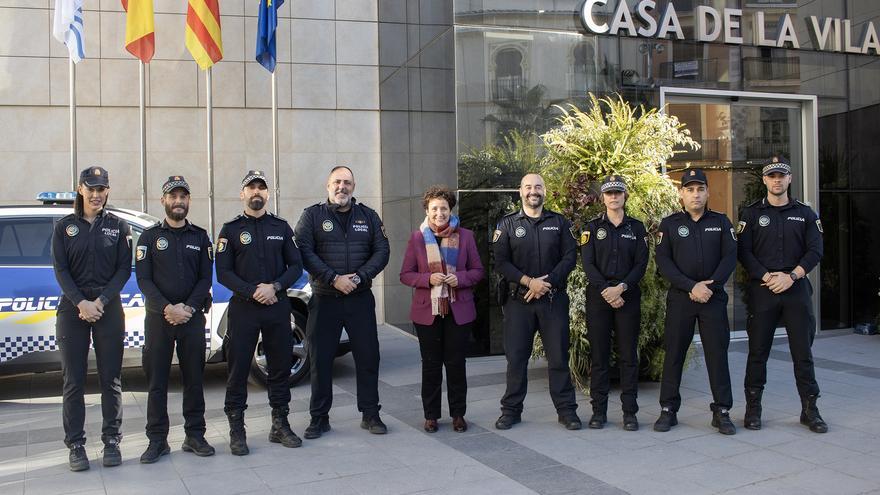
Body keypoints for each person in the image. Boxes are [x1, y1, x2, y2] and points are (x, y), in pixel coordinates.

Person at [295, 166, 390, 438]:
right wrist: (333, 278)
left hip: (359, 299)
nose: (342, 187)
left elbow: (382, 251)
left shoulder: (368, 217)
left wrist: (359, 277)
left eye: (347, 182)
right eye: (337, 182)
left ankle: (370, 414)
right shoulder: (312, 216)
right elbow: (303, 250)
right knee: (320, 360)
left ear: (353, 186)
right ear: (327, 186)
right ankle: (319, 419)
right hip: (325, 300)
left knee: (368, 357)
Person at [216, 170, 303, 455]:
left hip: (277, 307)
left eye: (261, 188)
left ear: (267, 194)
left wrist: (275, 286)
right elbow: (223, 272)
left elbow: (295, 266)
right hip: (244, 309)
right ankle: (237, 430)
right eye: (251, 188)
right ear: (242, 194)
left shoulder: (281, 227)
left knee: (279, 367)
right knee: (238, 369)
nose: (256, 192)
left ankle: (280, 424)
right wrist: (253, 290)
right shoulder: (229, 230)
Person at [737, 158, 827, 433]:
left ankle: (810, 410)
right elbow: (743, 251)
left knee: (803, 353)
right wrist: (767, 277)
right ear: (765, 180)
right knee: (757, 353)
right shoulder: (750, 214)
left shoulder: (806, 213)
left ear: (790, 179)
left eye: (782, 176)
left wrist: (792, 276)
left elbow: (816, 250)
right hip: (763, 289)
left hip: (795, 287)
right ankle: (753, 409)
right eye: (772, 176)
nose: (777, 180)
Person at [51, 166, 131, 471]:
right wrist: (81, 302)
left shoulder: (119, 227)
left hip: (107, 307)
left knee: (111, 379)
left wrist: (99, 301)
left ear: (107, 191)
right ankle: (76, 445)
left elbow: (124, 270)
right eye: (91, 188)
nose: (97, 195)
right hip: (73, 309)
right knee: (74, 381)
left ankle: (112, 440)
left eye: (102, 189)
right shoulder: (63, 227)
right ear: (80, 189)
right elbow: (61, 270)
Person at [491, 173, 581, 431]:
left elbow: (569, 257)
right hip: (519, 302)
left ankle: (567, 412)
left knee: (558, 358)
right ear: (520, 191)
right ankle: (510, 411)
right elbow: (500, 262)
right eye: (528, 187)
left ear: (545, 191)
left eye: (538, 186)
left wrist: (547, 282)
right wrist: (529, 282)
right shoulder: (506, 225)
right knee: (516, 358)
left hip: (552, 300)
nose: (533, 191)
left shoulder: (559, 222)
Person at [136, 176, 215, 463]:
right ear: (163, 201)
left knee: (194, 379)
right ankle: (157, 440)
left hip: (192, 319)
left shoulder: (200, 237)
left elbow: (205, 278)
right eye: (173, 196)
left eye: (183, 196)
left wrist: (189, 308)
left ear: (189, 201)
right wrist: (168, 308)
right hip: (159, 320)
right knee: (157, 381)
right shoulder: (148, 238)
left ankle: (195, 435)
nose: (178, 201)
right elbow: (144, 280)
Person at [654, 169, 738, 435]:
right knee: (674, 355)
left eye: (700, 189)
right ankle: (668, 410)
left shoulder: (722, 222)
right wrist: (691, 286)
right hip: (681, 299)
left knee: (717, 355)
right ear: (681, 194)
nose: (695, 194)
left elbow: (729, 258)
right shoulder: (668, 224)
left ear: (708, 192)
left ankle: (722, 411)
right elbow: (663, 262)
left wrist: (709, 287)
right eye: (689, 189)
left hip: (712, 299)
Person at [400, 185, 485, 433]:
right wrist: (428, 279)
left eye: (444, 208)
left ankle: (458, 414)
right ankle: (431, 415)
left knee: (456, 363)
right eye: (435, 208)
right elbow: (406, 275)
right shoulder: (417, 238)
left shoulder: (466, 236)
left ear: (451, 210)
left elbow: (478, 271)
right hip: (428, 311)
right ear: (427, 210)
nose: (440, 213)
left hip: (459, 310)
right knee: (431, 364)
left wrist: (461, 278)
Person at [580, 176, 648, 431]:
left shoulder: (637, 228)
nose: (614, 197)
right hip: (599, 298)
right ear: (603, 198)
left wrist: (621, 288)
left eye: (618, 192)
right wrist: (606, 290)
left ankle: (629, 412)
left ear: (625, 195)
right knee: (599, 357)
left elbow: (641, 264)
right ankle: (598, 412)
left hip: (627, 297)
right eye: (609, 193)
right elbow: (588, 264)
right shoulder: (591, 228)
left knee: (628, 356)